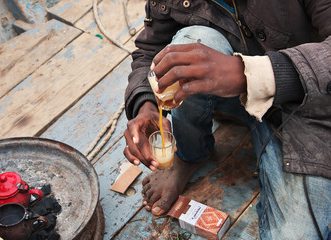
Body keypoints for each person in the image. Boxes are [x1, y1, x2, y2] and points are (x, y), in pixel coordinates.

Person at [123, 0, 331, 239]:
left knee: (295, 234)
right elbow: (151, 49)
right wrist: (146, 105)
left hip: (306, 105)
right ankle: (190, 155)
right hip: (228, 92)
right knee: (189, 43)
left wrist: (250, 75)